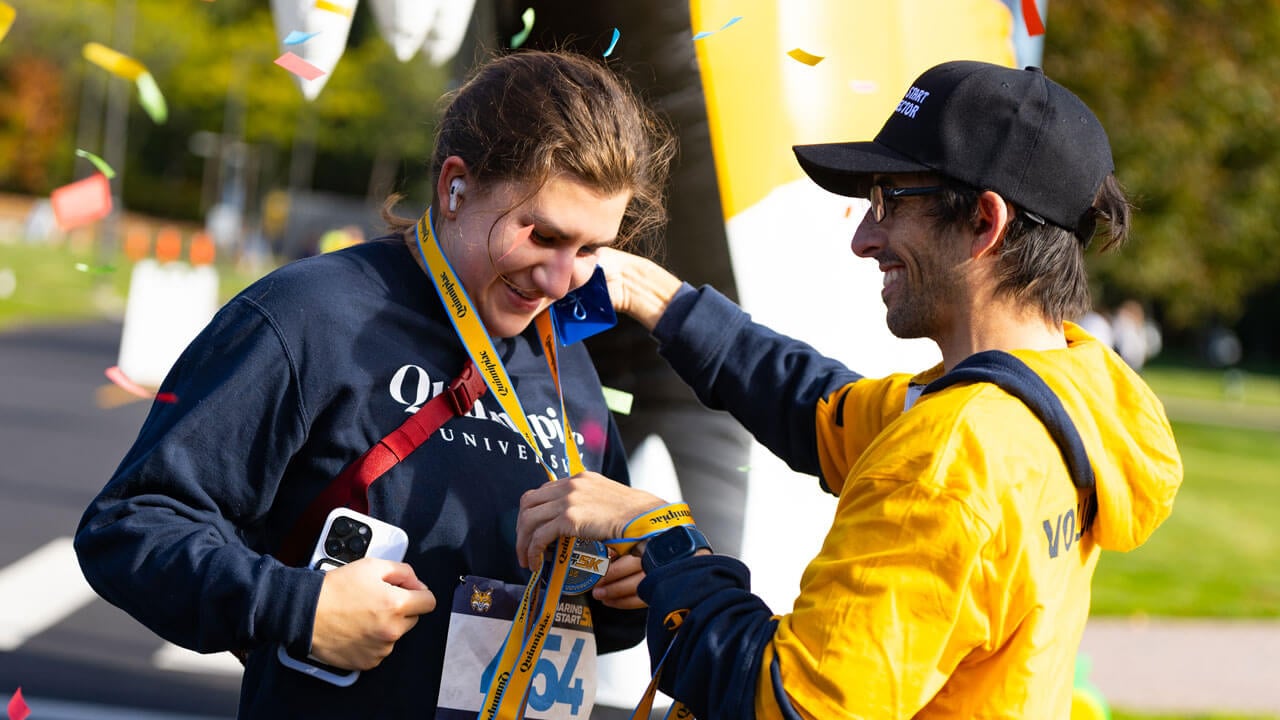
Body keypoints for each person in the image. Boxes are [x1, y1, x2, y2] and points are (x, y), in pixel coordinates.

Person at [516, 60, 1183, 718]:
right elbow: (824, 415)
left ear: (985, 222)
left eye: (889, 200)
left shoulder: (949, 457)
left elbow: (790, 703)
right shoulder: (1064, 388)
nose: (865, 239)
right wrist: (655, 296)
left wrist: (661, 537)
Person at [75, 49, 675, 719]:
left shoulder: (566, 365)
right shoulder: (309, 315)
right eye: (543, 235)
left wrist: (628, 588)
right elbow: (128, 526)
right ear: (455, 187)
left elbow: (587, 620)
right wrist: (296, 607)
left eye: (591, 250)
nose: (561, 281)